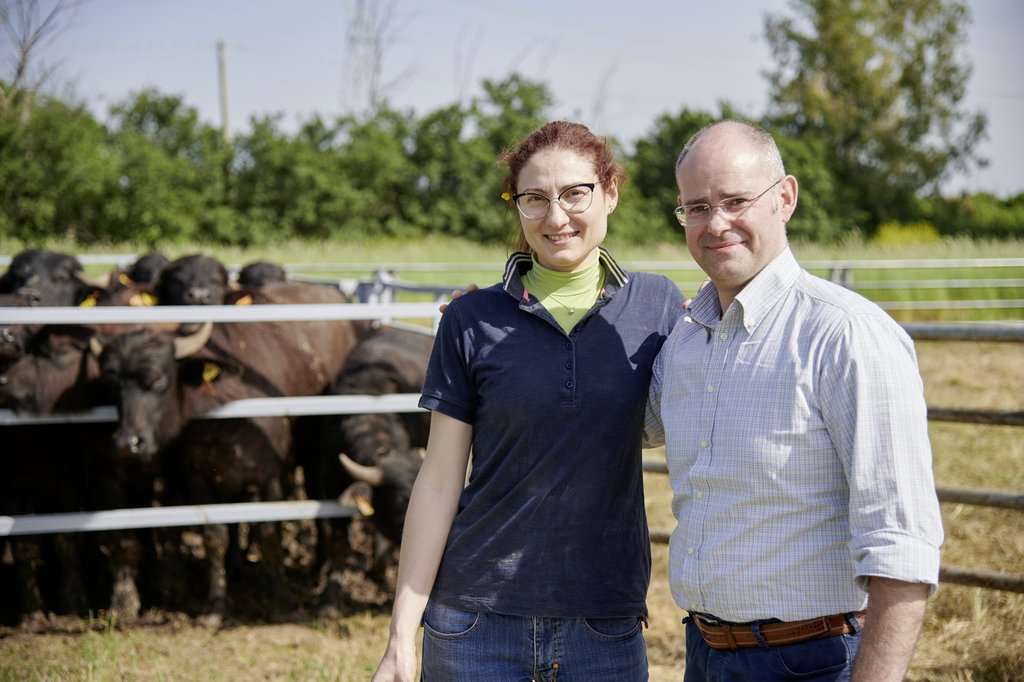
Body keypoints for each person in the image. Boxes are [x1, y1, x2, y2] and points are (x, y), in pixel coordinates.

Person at [371, 120, 686, 681]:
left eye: (575, 193)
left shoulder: (659, 307)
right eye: (534, 198)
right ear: (515, 205)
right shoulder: (470, 319)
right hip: (473, 621)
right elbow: (441, 478)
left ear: (610, 192)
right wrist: (401, 634)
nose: (556, 216)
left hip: (604, 620)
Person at [645, 120, 944, 681]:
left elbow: (903, 542)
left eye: (736, 200)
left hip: (812, 659)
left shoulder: (844, 334)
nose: (717, 223)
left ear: (785, 198)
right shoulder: (686, 338)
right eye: (697, 207)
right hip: (704, 652)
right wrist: (510, 326)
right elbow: (622, 422)